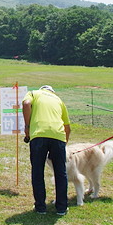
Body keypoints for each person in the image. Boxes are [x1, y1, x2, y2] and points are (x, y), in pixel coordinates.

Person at [23, 85, 71, 216]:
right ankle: (61, 208)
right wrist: (64, 144)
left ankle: (40, 207)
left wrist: (27, 126)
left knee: (38, 171)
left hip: (38, 134)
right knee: (60, 172)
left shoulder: (34, 93)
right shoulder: (58, 100)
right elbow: (67, 127)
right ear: (52, 92)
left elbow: (26, 104)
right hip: (58, 136)